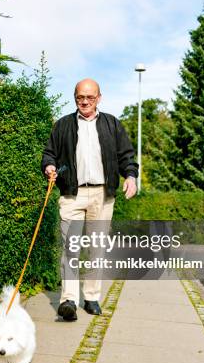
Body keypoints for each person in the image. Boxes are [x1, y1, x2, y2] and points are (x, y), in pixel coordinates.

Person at [41, 78, 138, 321]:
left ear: (99, 98)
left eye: (90, 97)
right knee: (71, 247)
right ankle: (69, 300)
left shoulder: (112, 124)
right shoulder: (62, 125)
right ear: (75, 97)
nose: (84, 101)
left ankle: (92, 297)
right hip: (72, 193)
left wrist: (131, 177)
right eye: (80, 97)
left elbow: (126, 155)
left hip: (102, 194)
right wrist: (49, 166)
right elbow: (49, 153)